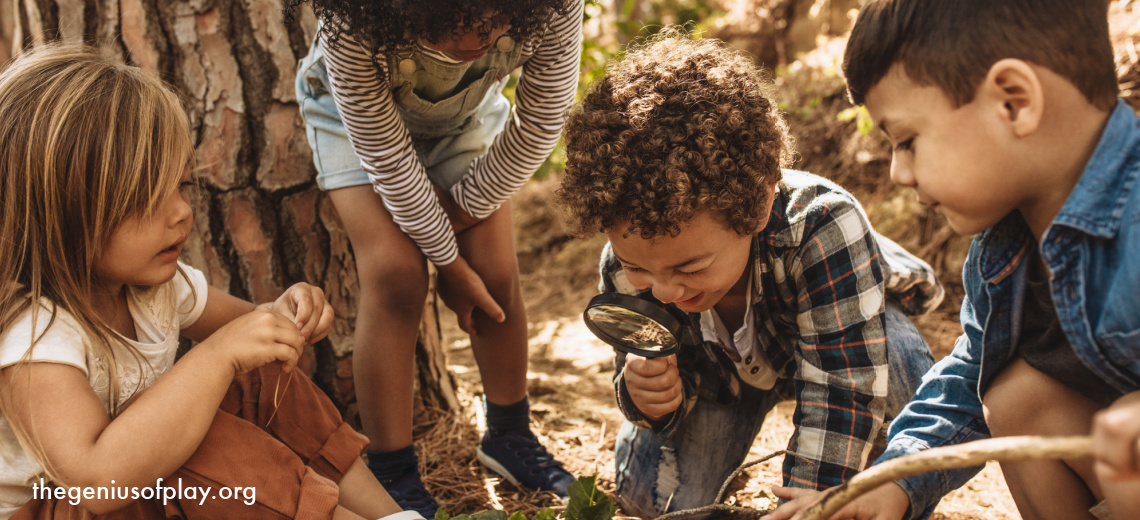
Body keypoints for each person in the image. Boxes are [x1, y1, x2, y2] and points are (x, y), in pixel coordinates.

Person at [0, 44, 414, 520]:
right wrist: (218, 355)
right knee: (194, 444)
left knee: (258, 373)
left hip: (141, 496)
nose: (181, 213)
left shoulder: (154, 289)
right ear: (58, 215)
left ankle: (392, 516)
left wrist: (287, 313)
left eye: (180, 186)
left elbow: (257, 330)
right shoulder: (35, 337)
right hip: (67, 507)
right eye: (145, 198)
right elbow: (96, 483)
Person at [768, 1, 1140, 519]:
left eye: (907, 141)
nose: (898, 172)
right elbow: (968, 375)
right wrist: (892, 480)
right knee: (1014, 395)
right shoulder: (1003, 248)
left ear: (1013, 101)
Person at [555, 30, 944, 518]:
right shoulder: (625, 266)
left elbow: (841, 386)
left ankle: (882, 473)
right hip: (723, 381)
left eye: (690, 266)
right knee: (654, 504)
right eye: (639, 267)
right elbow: (641, 374)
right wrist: (645, 398)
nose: (667, 289)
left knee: (901, 358)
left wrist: (812, 504)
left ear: (758, 204)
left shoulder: (822, 226)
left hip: (835, 345)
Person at [286, 0, 583, 513]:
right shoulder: (353, 22)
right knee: (397, 276)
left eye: (494, 20)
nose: (476, 40)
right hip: (354, 126)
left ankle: (510, 437)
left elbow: (541, 122)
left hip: (464, 120)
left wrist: (463, 215)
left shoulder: (553, 7)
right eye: (449, 25)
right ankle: (393, 469)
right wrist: (447, 262)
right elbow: (387, 159)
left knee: (493, 272)